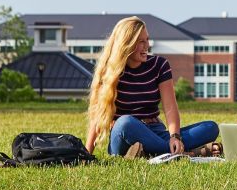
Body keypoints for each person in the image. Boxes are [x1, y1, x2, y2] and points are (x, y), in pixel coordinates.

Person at [86, 16, 219, 157]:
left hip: (155, 131)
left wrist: (175, 137)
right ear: (127, 43)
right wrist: (87, 153)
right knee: (125, 122)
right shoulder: (109, 70)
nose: (146, 46)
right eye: (141, 42)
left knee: (210, 128)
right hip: (124, 136)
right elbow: (98, 115)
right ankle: (182, 153)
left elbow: (170, 107)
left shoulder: (159, 65)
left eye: (147, 40)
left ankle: (151, 152)